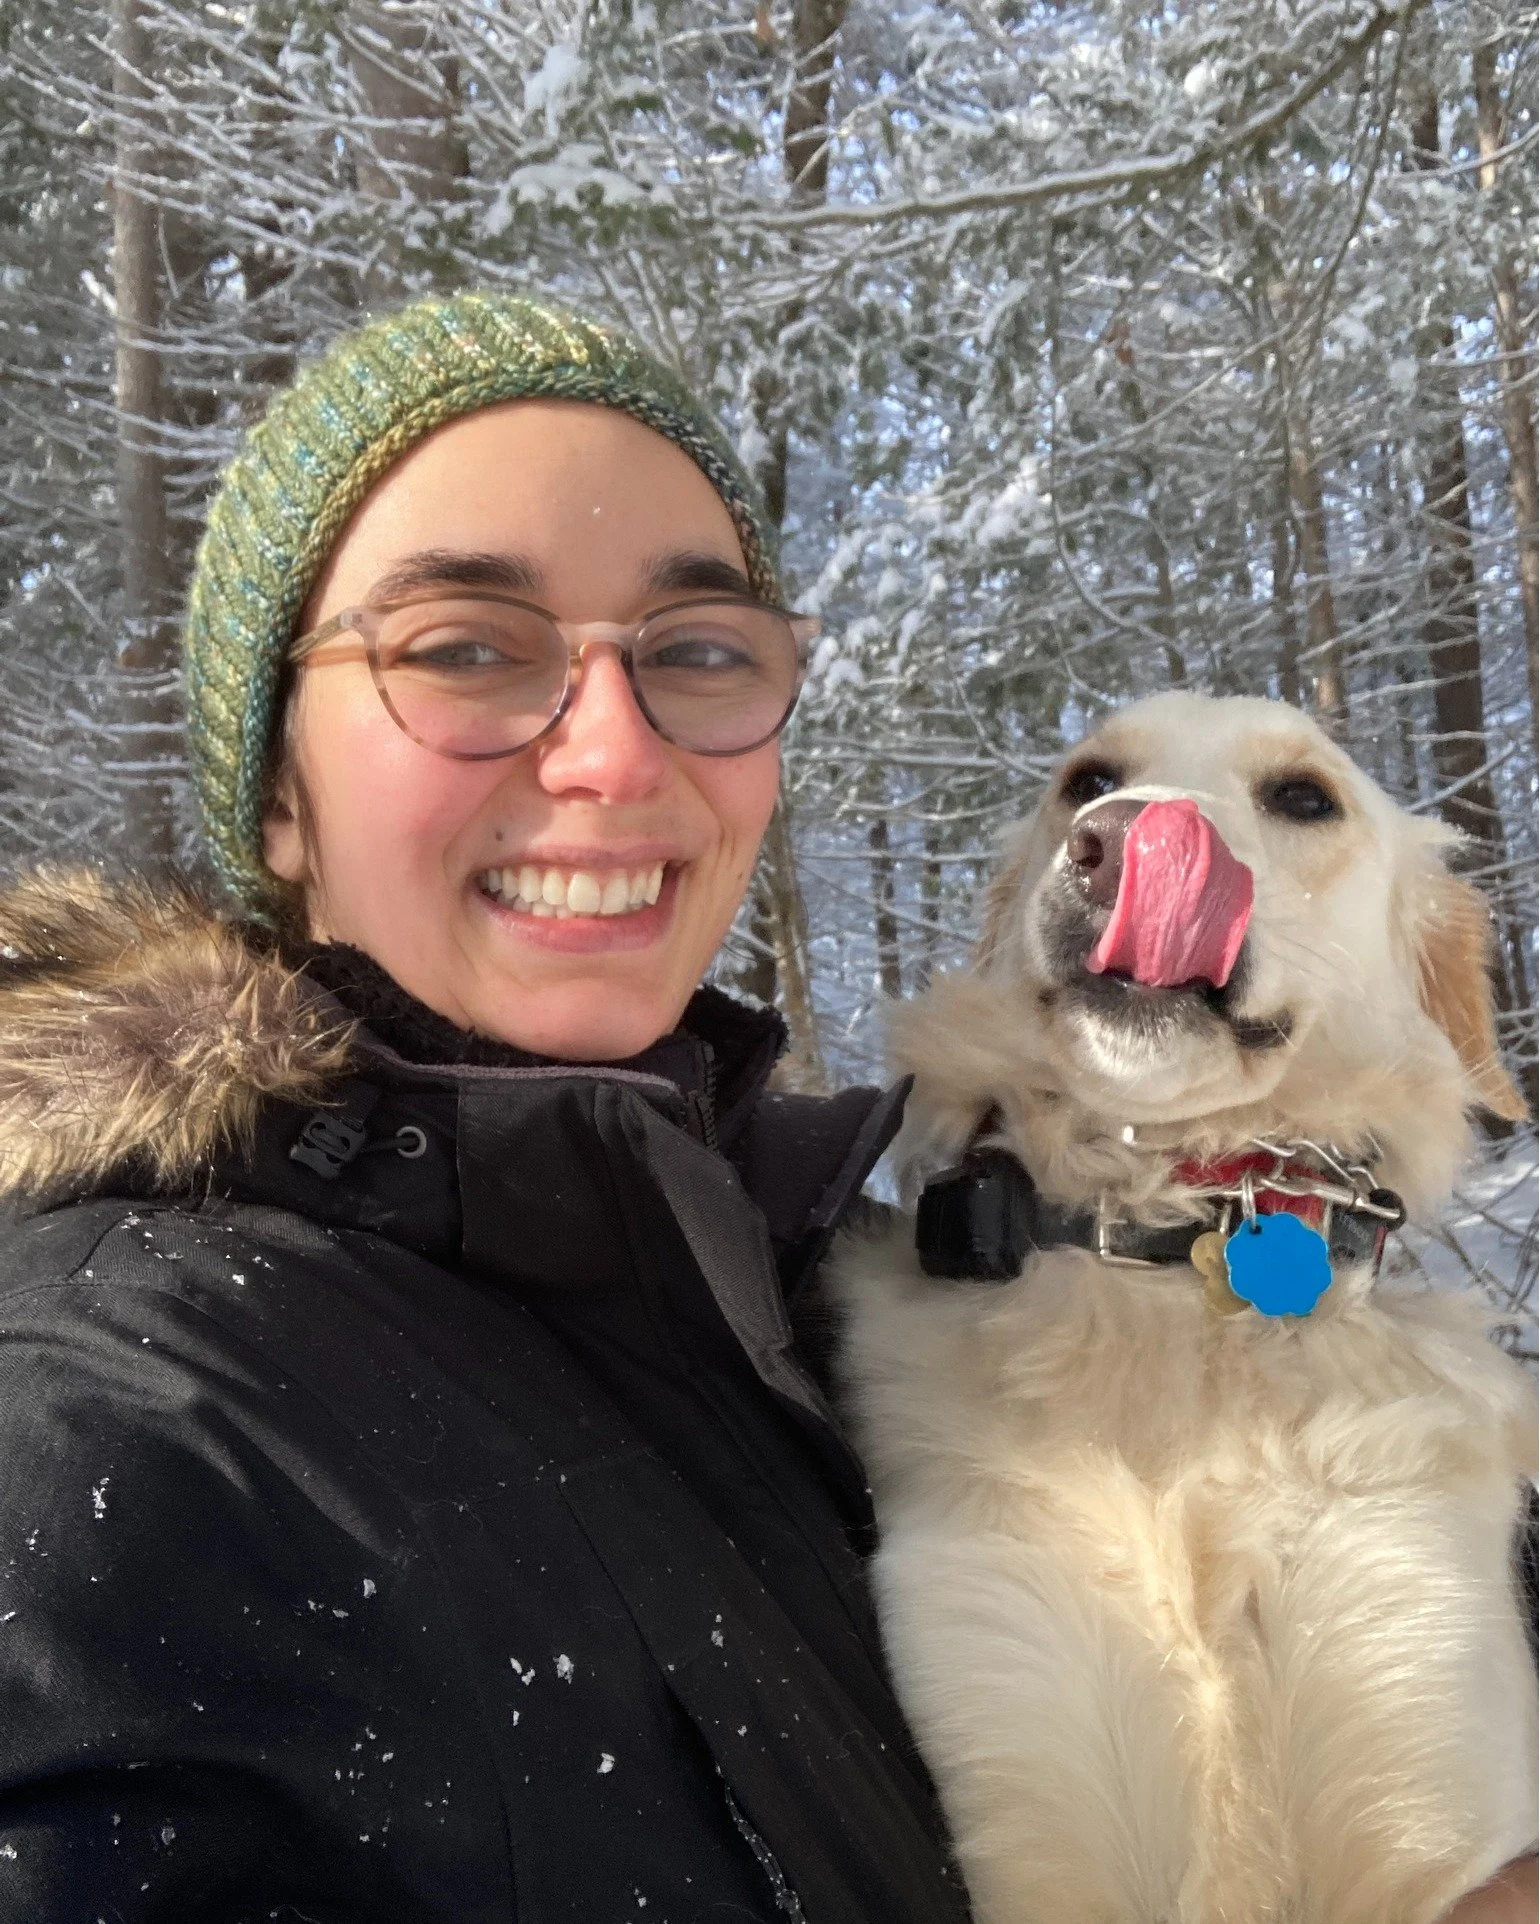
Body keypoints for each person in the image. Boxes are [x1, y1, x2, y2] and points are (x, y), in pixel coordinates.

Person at [0, 292, 1529, 1924]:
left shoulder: (791, 1281)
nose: (609, 748)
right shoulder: (119, 1416)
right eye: (464, 647)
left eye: (696, 651)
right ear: (278, 796)